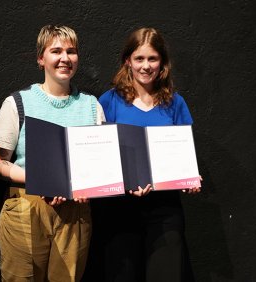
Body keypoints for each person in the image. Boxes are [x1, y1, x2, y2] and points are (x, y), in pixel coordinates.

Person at [0, 24, 105, 281]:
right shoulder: (17, 102)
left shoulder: (91, 106)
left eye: (71, 51)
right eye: (56, 51)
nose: (65, 58)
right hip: (26, 207)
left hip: (76, 212)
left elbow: (99, 165)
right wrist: (38, 180)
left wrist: (87, 186)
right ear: (41, 58)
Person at [87, 27, 201, 282]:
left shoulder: (175, 102)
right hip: (119, 209)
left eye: (152, 59)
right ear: (128, 61)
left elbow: (184, 153)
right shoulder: (109, 101)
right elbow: (99, 155)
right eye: (139, 59)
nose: (146, 66)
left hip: (164, 210)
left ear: (162, 63)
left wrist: (190, 178)